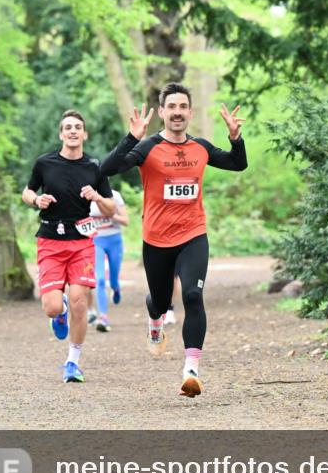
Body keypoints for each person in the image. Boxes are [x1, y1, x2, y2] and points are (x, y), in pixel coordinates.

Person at [101, 82, 247, 398]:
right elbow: (106, 168)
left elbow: (238, 164)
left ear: (189, 112)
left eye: (183, 107)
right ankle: (155, 319)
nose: (178, 113)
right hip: (156, 239)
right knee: (162, 301)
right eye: (172, 107)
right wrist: (131, 138)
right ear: (163, 112)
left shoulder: (201, 147)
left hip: (193, 235)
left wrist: (235, 138)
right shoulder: (148, 147)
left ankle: (191, 370)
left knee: (193, 296)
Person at [22, 110, 116, 383]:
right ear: (61, 134)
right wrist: (35, 201)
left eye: (78, 127)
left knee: (79, 302)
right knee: (52, 307)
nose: (73, 131)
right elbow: (27, 191)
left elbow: (110, 207)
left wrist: (96, 195)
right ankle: (59, 313)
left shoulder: (94, 168)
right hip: (50, 241)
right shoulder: (45, 163)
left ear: (84, 134)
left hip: (81, 242)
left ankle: (72, 363)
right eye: (68, 127)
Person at [86, 188, 129, 332]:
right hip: (96, 240)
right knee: (100, 280)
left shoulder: (114, 195)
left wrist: (110, 215)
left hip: (114, 240)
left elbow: (126, 221)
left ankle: (116, 289)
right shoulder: (86, 195)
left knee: (114, 280)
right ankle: (103, 317)